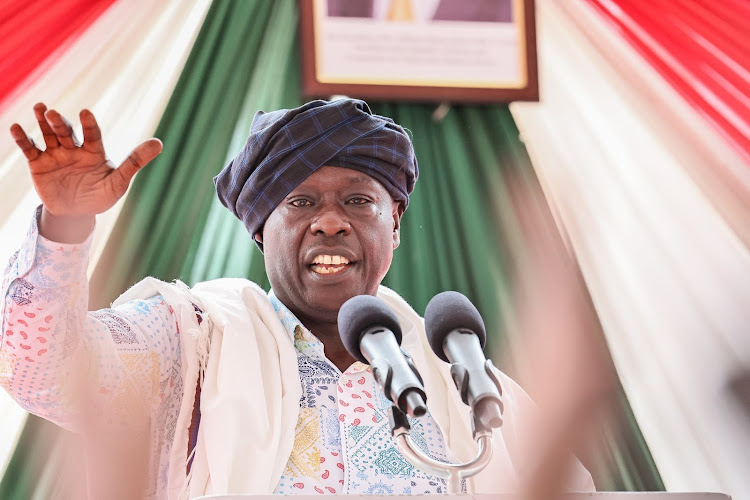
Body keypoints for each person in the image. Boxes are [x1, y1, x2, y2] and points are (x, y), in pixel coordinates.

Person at [2, 99, 594, 499]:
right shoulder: (193, 341)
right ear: (261, 229)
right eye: (302, 203)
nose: (331, 223)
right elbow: (43, 370)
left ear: (394, 222)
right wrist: (65, 226)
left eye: (359, 202)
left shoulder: (466, 380)